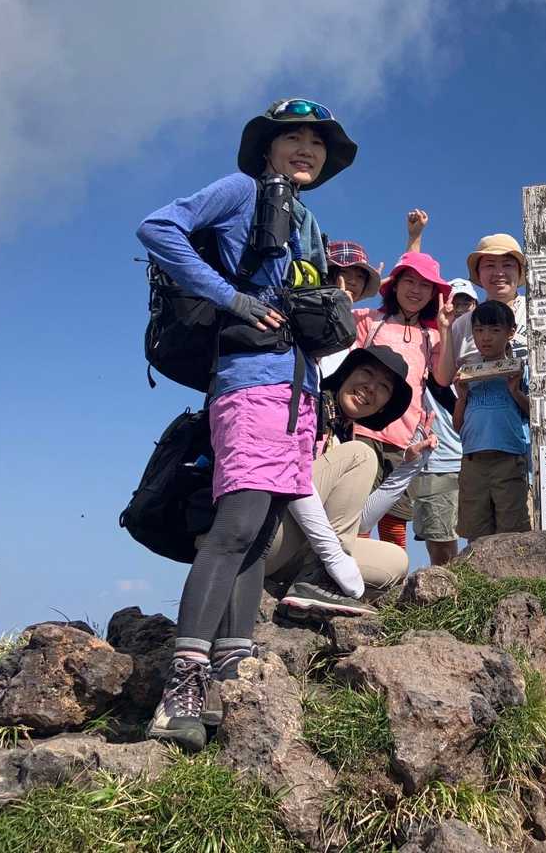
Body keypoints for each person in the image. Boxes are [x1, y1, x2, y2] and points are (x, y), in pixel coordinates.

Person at [136, 97, 355, 752]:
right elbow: (158, 228)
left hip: (298, 393)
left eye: (318, 142)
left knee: (259, 535)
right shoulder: (241, 191)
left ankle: (230, 669)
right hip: (250, 384)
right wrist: (230, 297)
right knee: (234, 527)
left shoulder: (306, 220)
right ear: (267, 147)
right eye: (293, 137)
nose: (307, 149)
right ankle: (182, 686)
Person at [267, 345, 414, 621]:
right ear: (346, 373)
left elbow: (356, 524)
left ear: (385, 404)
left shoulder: (345, 432)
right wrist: (334, 557)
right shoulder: (309, 404)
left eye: (384, 387)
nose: (371, 387)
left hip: (297, 552)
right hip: (265, 534)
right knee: (361, 455)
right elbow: (291, 477)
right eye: (366, 373)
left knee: (396, 561)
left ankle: (305, 584)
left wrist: (408, 468)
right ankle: (318, 582)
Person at [353, 250, 449, 540]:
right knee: (357, 517)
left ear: (433, 294)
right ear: (394, 285)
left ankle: (391, 572)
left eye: (425, 285)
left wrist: (444, 330)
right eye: (409, 281)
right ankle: (355, 570)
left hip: (406, 438)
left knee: (395, 522)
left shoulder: (432, 336)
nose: (416, 290)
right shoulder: (369, 320)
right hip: (363, 430)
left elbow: (443, 378)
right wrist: (369, 288)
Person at [454, 299, 531, 538]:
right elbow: (458, 426)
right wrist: (462, 397)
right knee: (475, 531)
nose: (486, 337)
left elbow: (534, 415)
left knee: (512, 531)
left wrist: (515, 391)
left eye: (495, 330)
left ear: (511, 332)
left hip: (509, 457)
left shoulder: (520, 368)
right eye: (479, 330)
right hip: (473, 459)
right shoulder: (466, 371)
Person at [433, 233, 528, 386]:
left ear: (520, 271)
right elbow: (444, 379)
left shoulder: (537, 311)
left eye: (507, 265)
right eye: (490, 265)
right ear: (478, 273)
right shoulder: (462, 323)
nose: (499, 273)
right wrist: (444, 329)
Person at [407, 377, 464, 564]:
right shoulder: (420, 363)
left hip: (488, 457)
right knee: (440, 544)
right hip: (437, 462)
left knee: (494, 538)